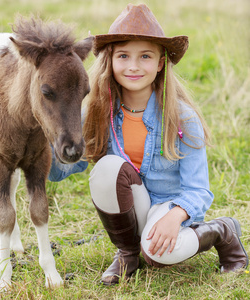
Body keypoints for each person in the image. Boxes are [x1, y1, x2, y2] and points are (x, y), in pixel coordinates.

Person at [49, 4, 248, 285]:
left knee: (159, 256)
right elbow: (63, 169)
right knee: (107, 168)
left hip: (170, 206)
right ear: (110, 60)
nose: (133, 66)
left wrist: (174, 217)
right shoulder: (95, 113)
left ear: (160, 63)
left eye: (145, 56)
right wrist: (37, 145)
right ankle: (127, 253)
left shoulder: (181, 117)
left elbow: (199, 189)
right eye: (123, 56)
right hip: (133, 205)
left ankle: (221, 230)